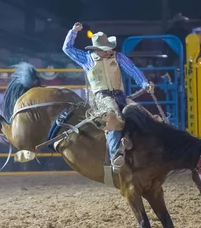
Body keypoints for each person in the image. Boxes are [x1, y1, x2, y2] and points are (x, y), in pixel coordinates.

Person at [63, 23, 153, 173]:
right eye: (105, 49)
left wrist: (144, 82)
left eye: (109, 48)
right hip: (101, 96)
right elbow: (67, 49)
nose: (109, 51)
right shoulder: (87, 59)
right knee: (112, 116)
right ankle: (115, 156)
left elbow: (132, 70)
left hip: (119, 95)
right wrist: (73, 32)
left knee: (139, 111)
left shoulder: (118, 57)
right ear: (97, 49)